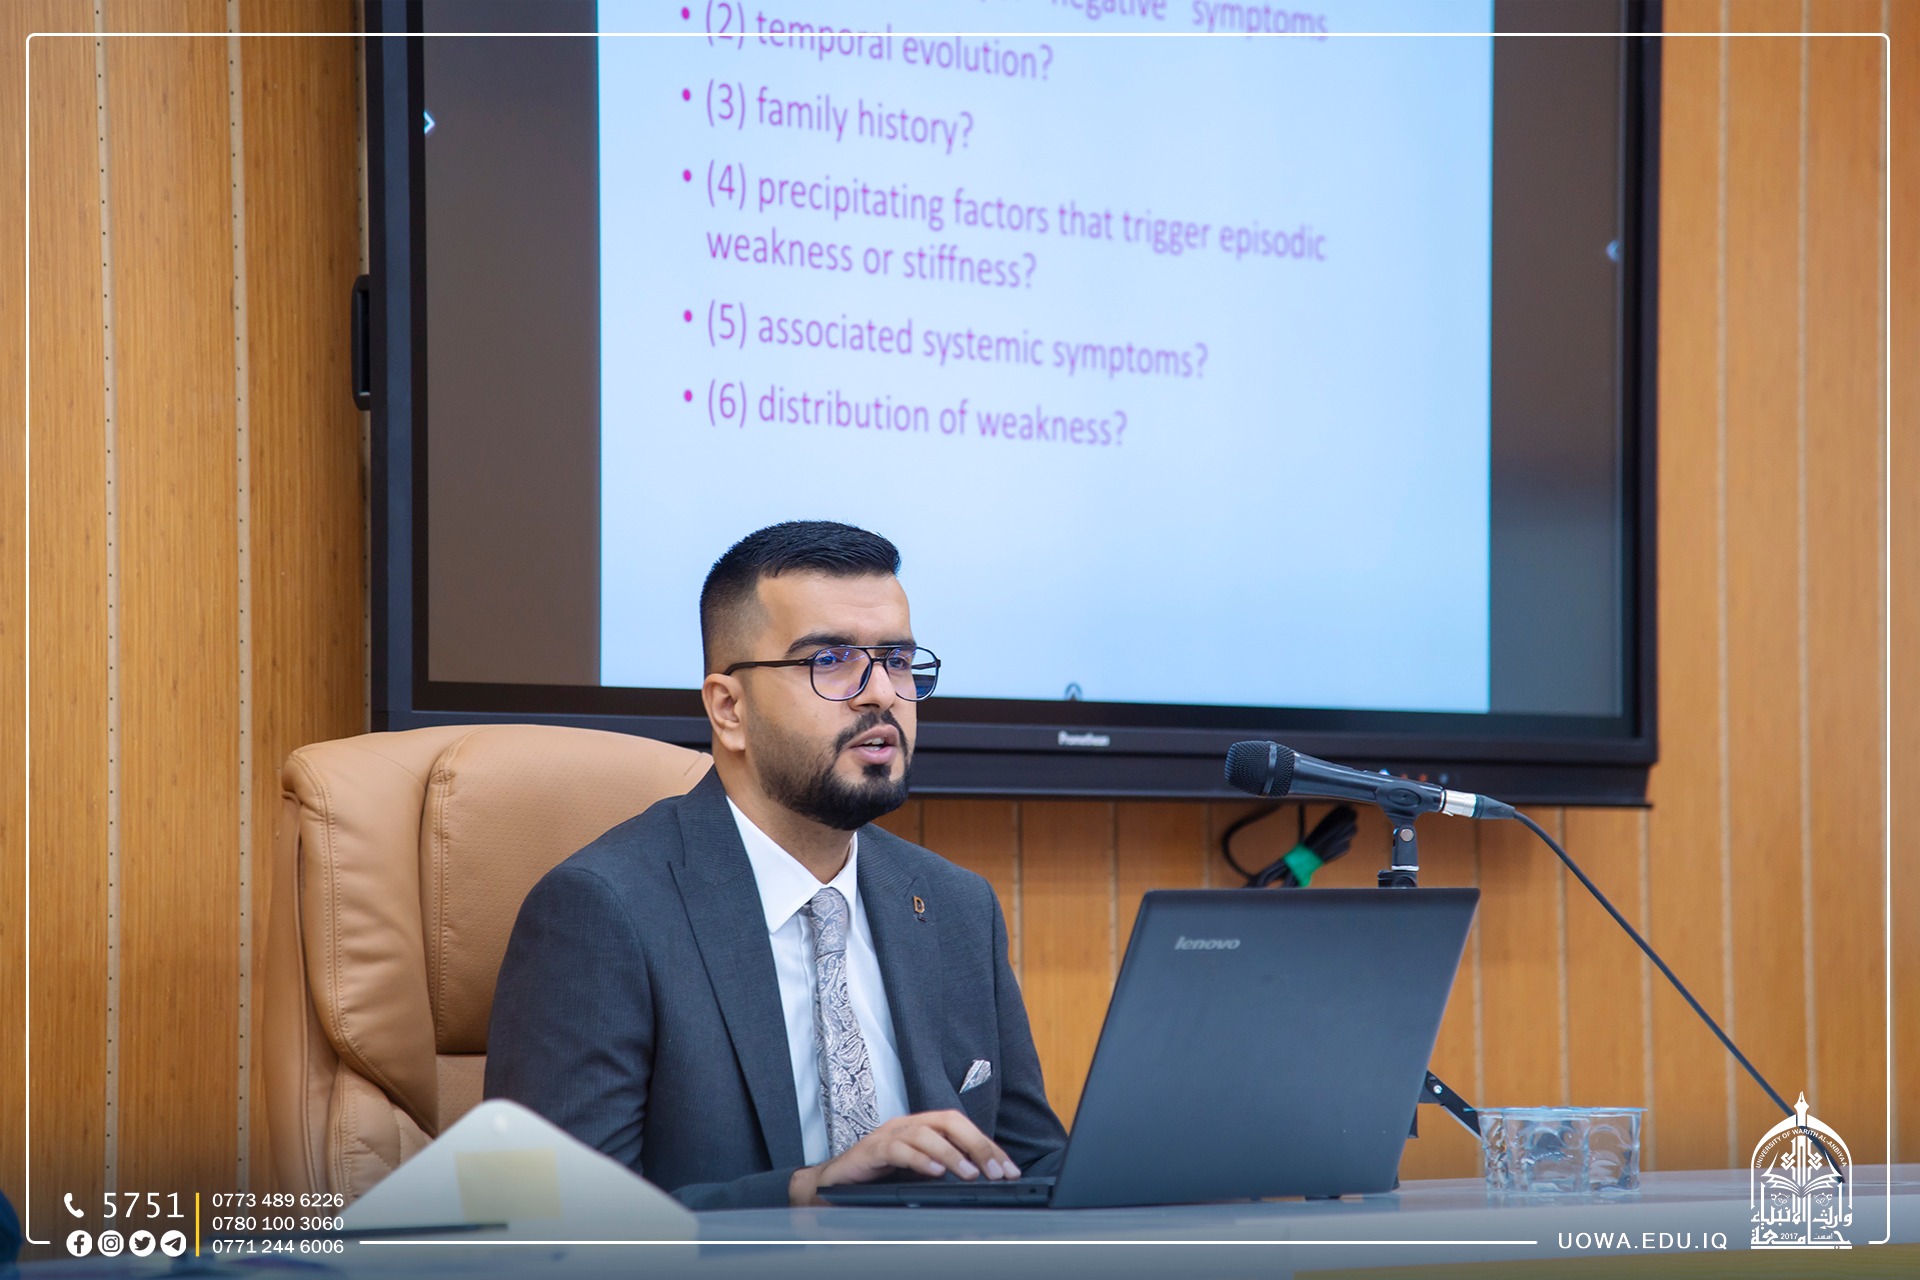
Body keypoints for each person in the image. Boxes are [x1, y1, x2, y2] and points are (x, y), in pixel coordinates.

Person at [485, 521, 1067, 1209]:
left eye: (897, 660)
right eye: (831, 660)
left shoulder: (955, 905)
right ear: (728, 709)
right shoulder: (604, 910)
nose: (881, 694)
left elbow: (1032, 1166)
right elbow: (547, 1216)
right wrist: (804, 1192)